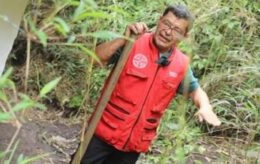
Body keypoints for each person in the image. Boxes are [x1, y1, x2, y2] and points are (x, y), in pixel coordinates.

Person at [81, 4, 221, 164]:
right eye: (166, 24)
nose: (168, 32)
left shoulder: (180, 64)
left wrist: (205, 107)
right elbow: (94, 59)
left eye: (176, 30)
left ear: (185, 36)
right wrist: (124, 39)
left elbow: (196, 91)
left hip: (132, 145)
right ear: (159, 20)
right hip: (101, 135)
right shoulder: (134, 42)